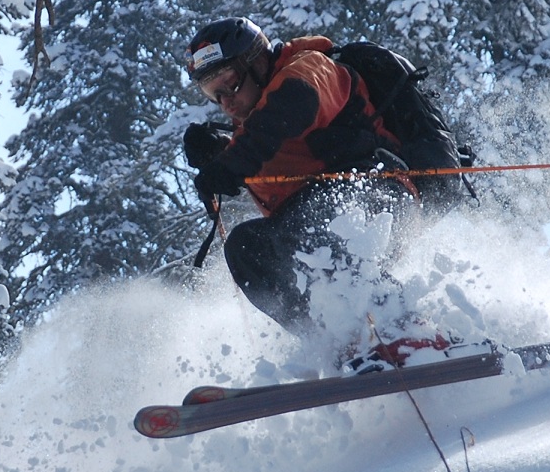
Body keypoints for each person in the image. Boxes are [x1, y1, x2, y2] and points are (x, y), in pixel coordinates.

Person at [180, 17, 433, 347]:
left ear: (257, 63)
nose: (225, 101)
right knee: (245, 246)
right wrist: (218, 155)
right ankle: (339, 346)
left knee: (313, 220)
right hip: (311, 224)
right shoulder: (254, 130)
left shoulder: (310, 67)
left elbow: (293, 105)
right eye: (213, 93)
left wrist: (234, 161)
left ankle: (409, 330)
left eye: (230, 83)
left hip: (377, 197)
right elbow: (267, 141)